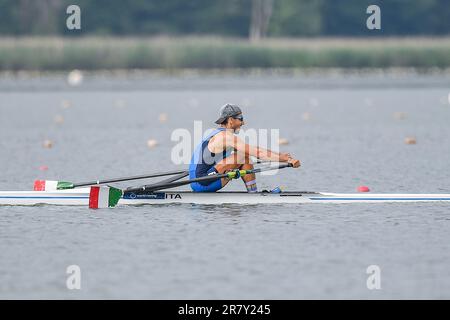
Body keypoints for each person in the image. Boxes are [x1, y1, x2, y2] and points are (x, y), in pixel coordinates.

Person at [189, 104, 301, 192]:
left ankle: (253, 193)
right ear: (230, 120)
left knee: (245, 157)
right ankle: (253, 195)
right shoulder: (225, 137)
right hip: (202, 182)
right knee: (242, 156)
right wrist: (285, 159)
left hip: (203, 178)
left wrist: (281, 155)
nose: (243, 122)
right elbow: (258, 153)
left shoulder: (217, 133)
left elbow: (254, 150)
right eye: (240, 118)